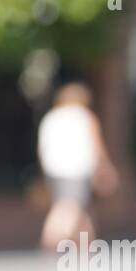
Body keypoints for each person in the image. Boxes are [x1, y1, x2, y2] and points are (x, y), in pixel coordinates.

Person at [36, 82, 117, 250]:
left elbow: (42, 147)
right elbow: (97, 144)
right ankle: (52, 238)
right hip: (77, 169)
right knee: (68, 207)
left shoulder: (51, 117)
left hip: (54, 169)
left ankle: (88, 244)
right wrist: (105, 167)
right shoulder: (85, 116)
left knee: (80, 207)